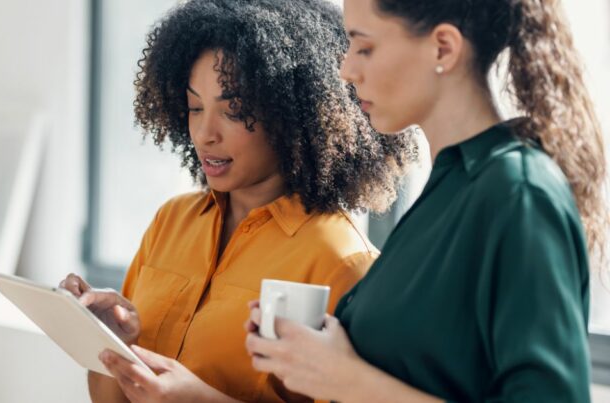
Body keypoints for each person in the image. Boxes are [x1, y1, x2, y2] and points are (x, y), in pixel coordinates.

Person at [245, 0, 608, 401]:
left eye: (364, 48)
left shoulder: (518, 192)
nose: (345, 70)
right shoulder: (448, 189)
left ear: (443, 49)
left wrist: (345, 379)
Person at [59, 0, 416, 401]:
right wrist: (111, 341)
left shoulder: (340, 262)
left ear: (293, 117)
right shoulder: (172, 222)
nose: (205, 133)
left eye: (234, 111)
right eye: (195, 107)